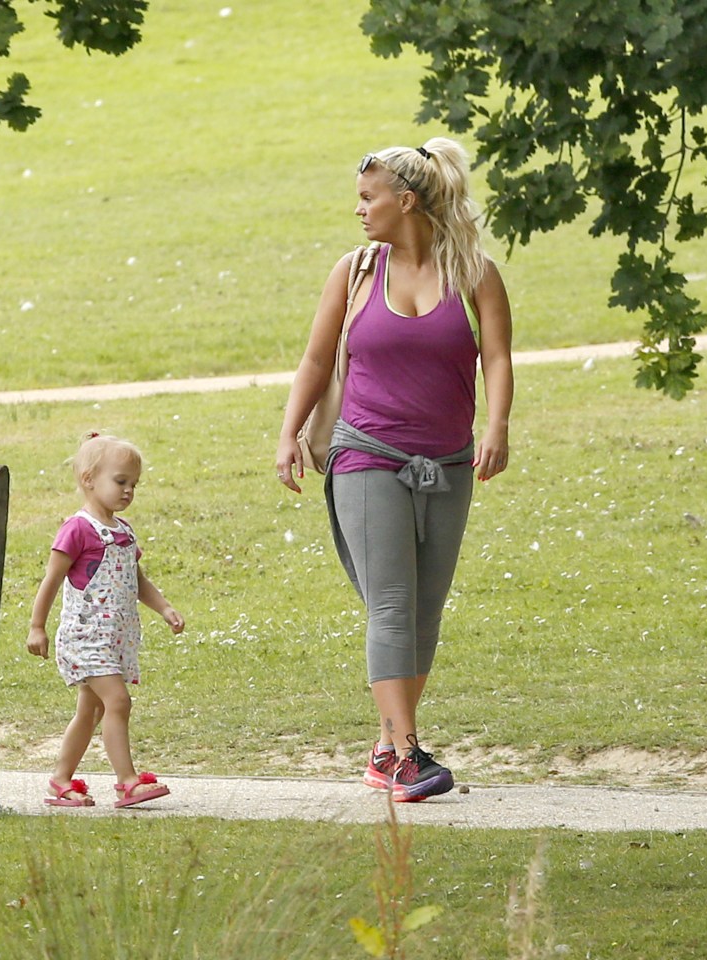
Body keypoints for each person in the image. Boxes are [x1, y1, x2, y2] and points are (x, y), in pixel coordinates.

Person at [276, 138, 513, 802]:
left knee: (425, 612)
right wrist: (289, 431)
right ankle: (405, 755)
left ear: (404, 201)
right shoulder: (354, 271)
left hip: (449, 461)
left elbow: (495, 355)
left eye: (367, 197)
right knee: (391, 603)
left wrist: (496, 425)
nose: (358, 210)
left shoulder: (474, 273)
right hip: (366, 455)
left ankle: (387, 746)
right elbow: (316, 360)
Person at [26, 432, 185, 808]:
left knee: (91, 710)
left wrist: (163, 607)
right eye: (120, 482)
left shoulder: (124, 531)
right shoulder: (78, 529)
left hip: (114, 638)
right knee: (118, 701)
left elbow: (137, 579)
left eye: (133, 484)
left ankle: (61, 779)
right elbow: (51, 579)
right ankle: (127, 781)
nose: (128, 491)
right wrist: (37, 626)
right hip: (85, 638)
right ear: (88, 480)